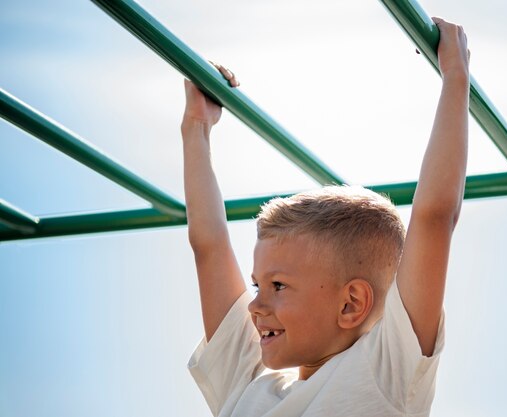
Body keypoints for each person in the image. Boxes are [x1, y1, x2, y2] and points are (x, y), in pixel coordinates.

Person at [183, 17, 469, 417]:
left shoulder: (384, 376)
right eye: (258, 284)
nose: (255, 306)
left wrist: (456, 77)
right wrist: (196, 128)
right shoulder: (247, 388)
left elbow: (434, 217)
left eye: (278, 285)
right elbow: (209, 247)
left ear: (351, 303)